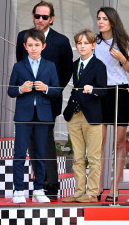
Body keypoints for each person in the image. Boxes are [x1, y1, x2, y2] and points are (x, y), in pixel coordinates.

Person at [16, 0, 73, 200]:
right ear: (33, 16)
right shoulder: (23, 37)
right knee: (31, 142)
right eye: (37, 16)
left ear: (52, 19)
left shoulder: (61, 41)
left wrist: (51, 90)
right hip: (27, 99)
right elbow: (20, 65)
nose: (40, 20)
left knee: (45, 141)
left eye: (44, 17)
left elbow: (66, 71)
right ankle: (39, 183)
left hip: (49, 101)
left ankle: (51, 184)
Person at [8, 28, 61, 203]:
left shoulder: (50, 66)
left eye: (37, 45)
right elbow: (10, 90)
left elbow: (57, 91)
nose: (33, 48)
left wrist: (45, 88)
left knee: (40, 154)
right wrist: (20, 89)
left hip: (43, 116)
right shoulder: (18, 66)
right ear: (24, 46)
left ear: (43, 46)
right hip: (23, 115)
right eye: (30, 45)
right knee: (20, 154)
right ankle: (18, 191)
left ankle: (39, 189)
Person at [62, 29, 107, 203]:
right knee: (78, 156)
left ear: (93, 46)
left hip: (92, 116)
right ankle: (79, 191)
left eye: (86, 43)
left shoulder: (99, 65)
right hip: (74, 114)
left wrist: (93, 89)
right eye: (79, 43)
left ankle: (92, 193)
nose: (82, 46)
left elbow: (104, 91)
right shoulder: (74, 65)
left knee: (94, 157)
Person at [95, 7, 129, 202]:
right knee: (99, 142)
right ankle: (98, 185)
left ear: (113, 22)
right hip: (100, 93)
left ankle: (114, 188)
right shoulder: (95, 42)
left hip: (121, 92)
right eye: (98, 18)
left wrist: (123, 59)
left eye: (104, 19)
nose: (100, 22)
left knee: (118, 142)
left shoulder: (124, 41)